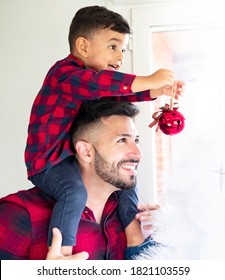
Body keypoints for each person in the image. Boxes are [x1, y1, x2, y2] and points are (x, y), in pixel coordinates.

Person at [24, 5, 185, 256]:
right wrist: (148, 79)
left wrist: (156, 92)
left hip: (70, 155)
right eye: (113, 47)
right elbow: (100, 85)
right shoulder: (64, 74)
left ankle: (134, 237)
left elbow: (115, 90)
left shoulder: (95, 84)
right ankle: (61, 254)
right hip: (48, 161)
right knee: (73, 191)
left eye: (123, 49)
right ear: (84, 46)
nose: (120, 56)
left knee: (125, 179)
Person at [0, 99, 159, 260]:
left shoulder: (137, 221)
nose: (138, 154)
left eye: (136, 140)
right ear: (86, 152)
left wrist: (168, 237)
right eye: (122, 140)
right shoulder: (20, 214)